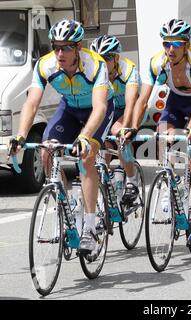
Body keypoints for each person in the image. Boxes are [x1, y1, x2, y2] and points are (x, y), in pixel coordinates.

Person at [9, 19, 114, 253]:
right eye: (56, 46)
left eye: (66, 47)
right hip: (69, 109)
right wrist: (21, 135)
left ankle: (89, 226)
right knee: (46, 151)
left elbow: (100, 108)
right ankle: (67, 203)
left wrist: (85, 137)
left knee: (86, 158)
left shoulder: (95, 65)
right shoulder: (46, 65)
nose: (59, 52)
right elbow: (32, 102)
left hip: (98, 110)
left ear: (78, 48)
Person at [130, 19, 191, 244]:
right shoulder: (157, 62)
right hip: (176, 103)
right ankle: (169, 182)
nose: (170, 49)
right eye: (167, 44)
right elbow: (142, 99)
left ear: (186, 46)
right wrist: (132, 127)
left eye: (176, 44)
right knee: (161, 137)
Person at [90, 35, 141, 204]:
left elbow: (131, 100)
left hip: (130, 108)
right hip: (110, 109)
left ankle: (132, 181)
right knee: (101, 147)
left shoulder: (128, 69)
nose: (101, 62)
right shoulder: (94, 72)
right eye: (98, 58)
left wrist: (125, 127)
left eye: (106, 58)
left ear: (116, 58)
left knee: (118, 135)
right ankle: (104, 196)